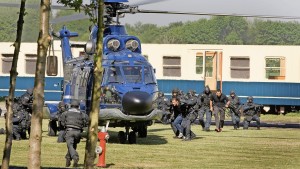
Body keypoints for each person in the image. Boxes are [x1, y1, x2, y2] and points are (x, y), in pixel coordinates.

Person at [61, 99, 89, 167]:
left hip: (69, 131)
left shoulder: (65, 113)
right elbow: (87, 123)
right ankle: (68, 160)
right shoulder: (82, 114)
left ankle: (75, 157)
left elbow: (62, 123)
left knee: (70, 145)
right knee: (73, 145)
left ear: (71, 105)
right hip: (78, 133)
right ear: (78, 106)